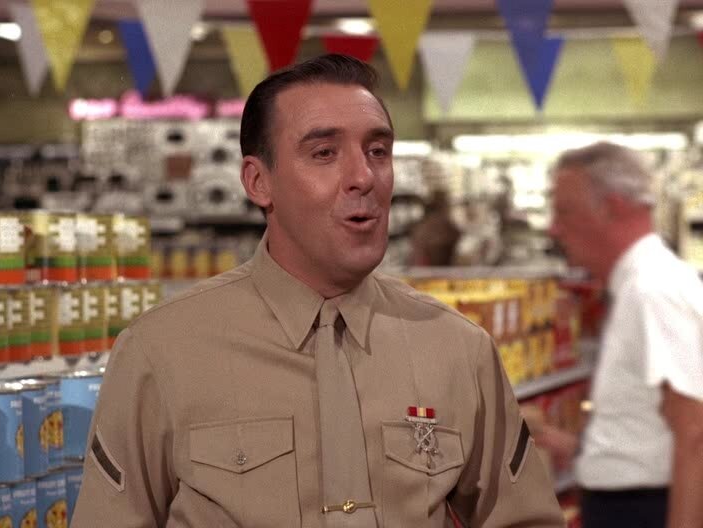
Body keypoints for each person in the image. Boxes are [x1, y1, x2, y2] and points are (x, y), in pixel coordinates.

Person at [72, 54, 563, 527]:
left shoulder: (459, 349)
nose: (363, 177)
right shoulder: (161, 351)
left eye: (378, 151)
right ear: (258, 182)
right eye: (324, 153)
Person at [540, 141, 703, 528]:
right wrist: (582, 450)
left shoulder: (652, 290)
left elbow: (694, 432)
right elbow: (654, 429)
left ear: (611, 208)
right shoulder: (639, 287)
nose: (553, 228)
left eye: (565, 211)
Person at [410, 189, 461, 266]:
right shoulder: (439, 223)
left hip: (425, 267)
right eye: (447, 203)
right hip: (430, 267)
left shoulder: (423, 224)